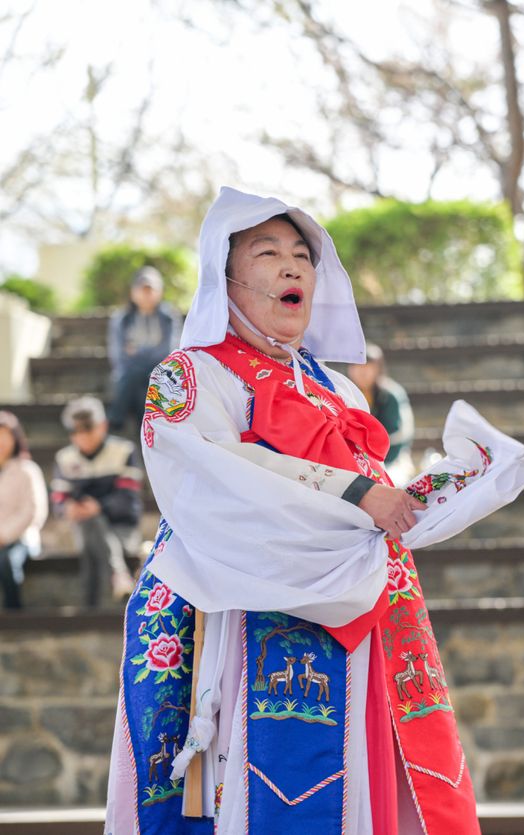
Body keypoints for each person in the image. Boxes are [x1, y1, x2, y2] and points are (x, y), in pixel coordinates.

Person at [105, 188, 482, 835]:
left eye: (303, 256)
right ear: (225, 279)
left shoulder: (338, 387)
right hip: (245, 604)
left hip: (363, 609)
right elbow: (211, 470)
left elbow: (377, 489)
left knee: (360, 780)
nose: (292, 267)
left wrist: (453, 487)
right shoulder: (190, 375)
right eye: (268, 253)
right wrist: (356, 495)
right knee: (258, 785)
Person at [50, 396, 142, 606]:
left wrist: (99, 507)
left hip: (123, 529)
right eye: (75, 430)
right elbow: (59, 500)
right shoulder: (64, 459)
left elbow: (128, 498)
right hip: (84, 529)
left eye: (88, 428)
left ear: (103, 426)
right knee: (91, 522)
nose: (82, 436)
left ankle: (88, 607)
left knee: (92, 524)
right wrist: (69, 508)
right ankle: (118, 575)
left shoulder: (123, 451)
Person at [107, 266, 182, 432]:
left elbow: (169, 351)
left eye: (151, 290)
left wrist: (137, 351)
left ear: (160, 292)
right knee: (136, 381)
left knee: (146, 381)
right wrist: (146, 354)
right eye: (142, 290)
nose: (147, 295)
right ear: (133, 292)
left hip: (159, 372)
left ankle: (116, 420)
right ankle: (145, 430)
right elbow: (119, 355)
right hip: (129, 373)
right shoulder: (122, 319)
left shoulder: (169, 317)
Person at [348, 342, 415, 485]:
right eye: (357, 365)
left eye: (368, 366)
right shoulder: (345, 393)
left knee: (393, 483)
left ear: (378, 368)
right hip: (357, 458)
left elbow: (398, 436)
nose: (362, 371)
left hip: (392, 458)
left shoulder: (391, 395)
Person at [0, 411, 48, 608]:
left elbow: (33, 511)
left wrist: (3, 536)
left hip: (21, 539)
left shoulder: (27, 470)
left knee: (7, 562)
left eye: (5, 436)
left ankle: (14, 612)